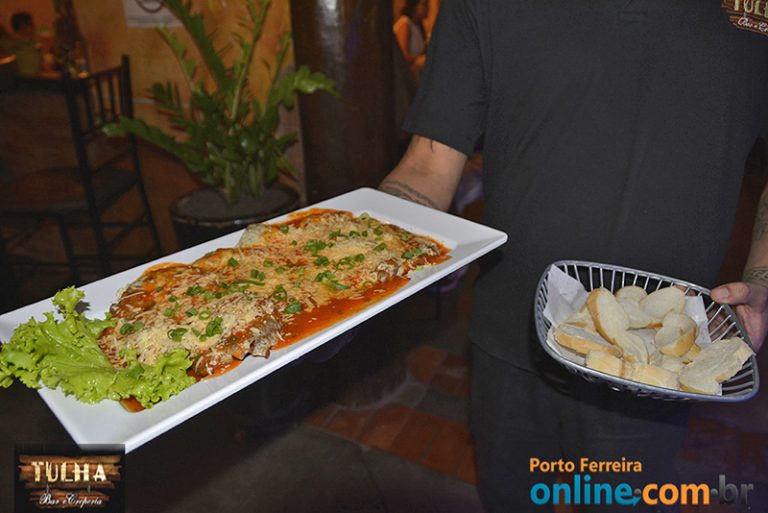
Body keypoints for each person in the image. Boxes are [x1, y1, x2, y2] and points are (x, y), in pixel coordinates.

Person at [379, 1, 768, 512]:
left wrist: (763, 275)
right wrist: (360, 265)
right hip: (508, 338)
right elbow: (428, 165)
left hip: (657, 362)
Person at [393, 0, 430, 81]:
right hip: (406, 72)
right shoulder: (405, 24)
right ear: (414, 6)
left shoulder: (419, 27)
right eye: (424, 4)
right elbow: (403, 56)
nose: (428, 8)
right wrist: (420, 60)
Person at [0, 11, 41, 77]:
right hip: (20, 80)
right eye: (26, 26)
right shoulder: (10, 43)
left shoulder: (33, 43)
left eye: (32, 25)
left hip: (36, 78)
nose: (30, 29)